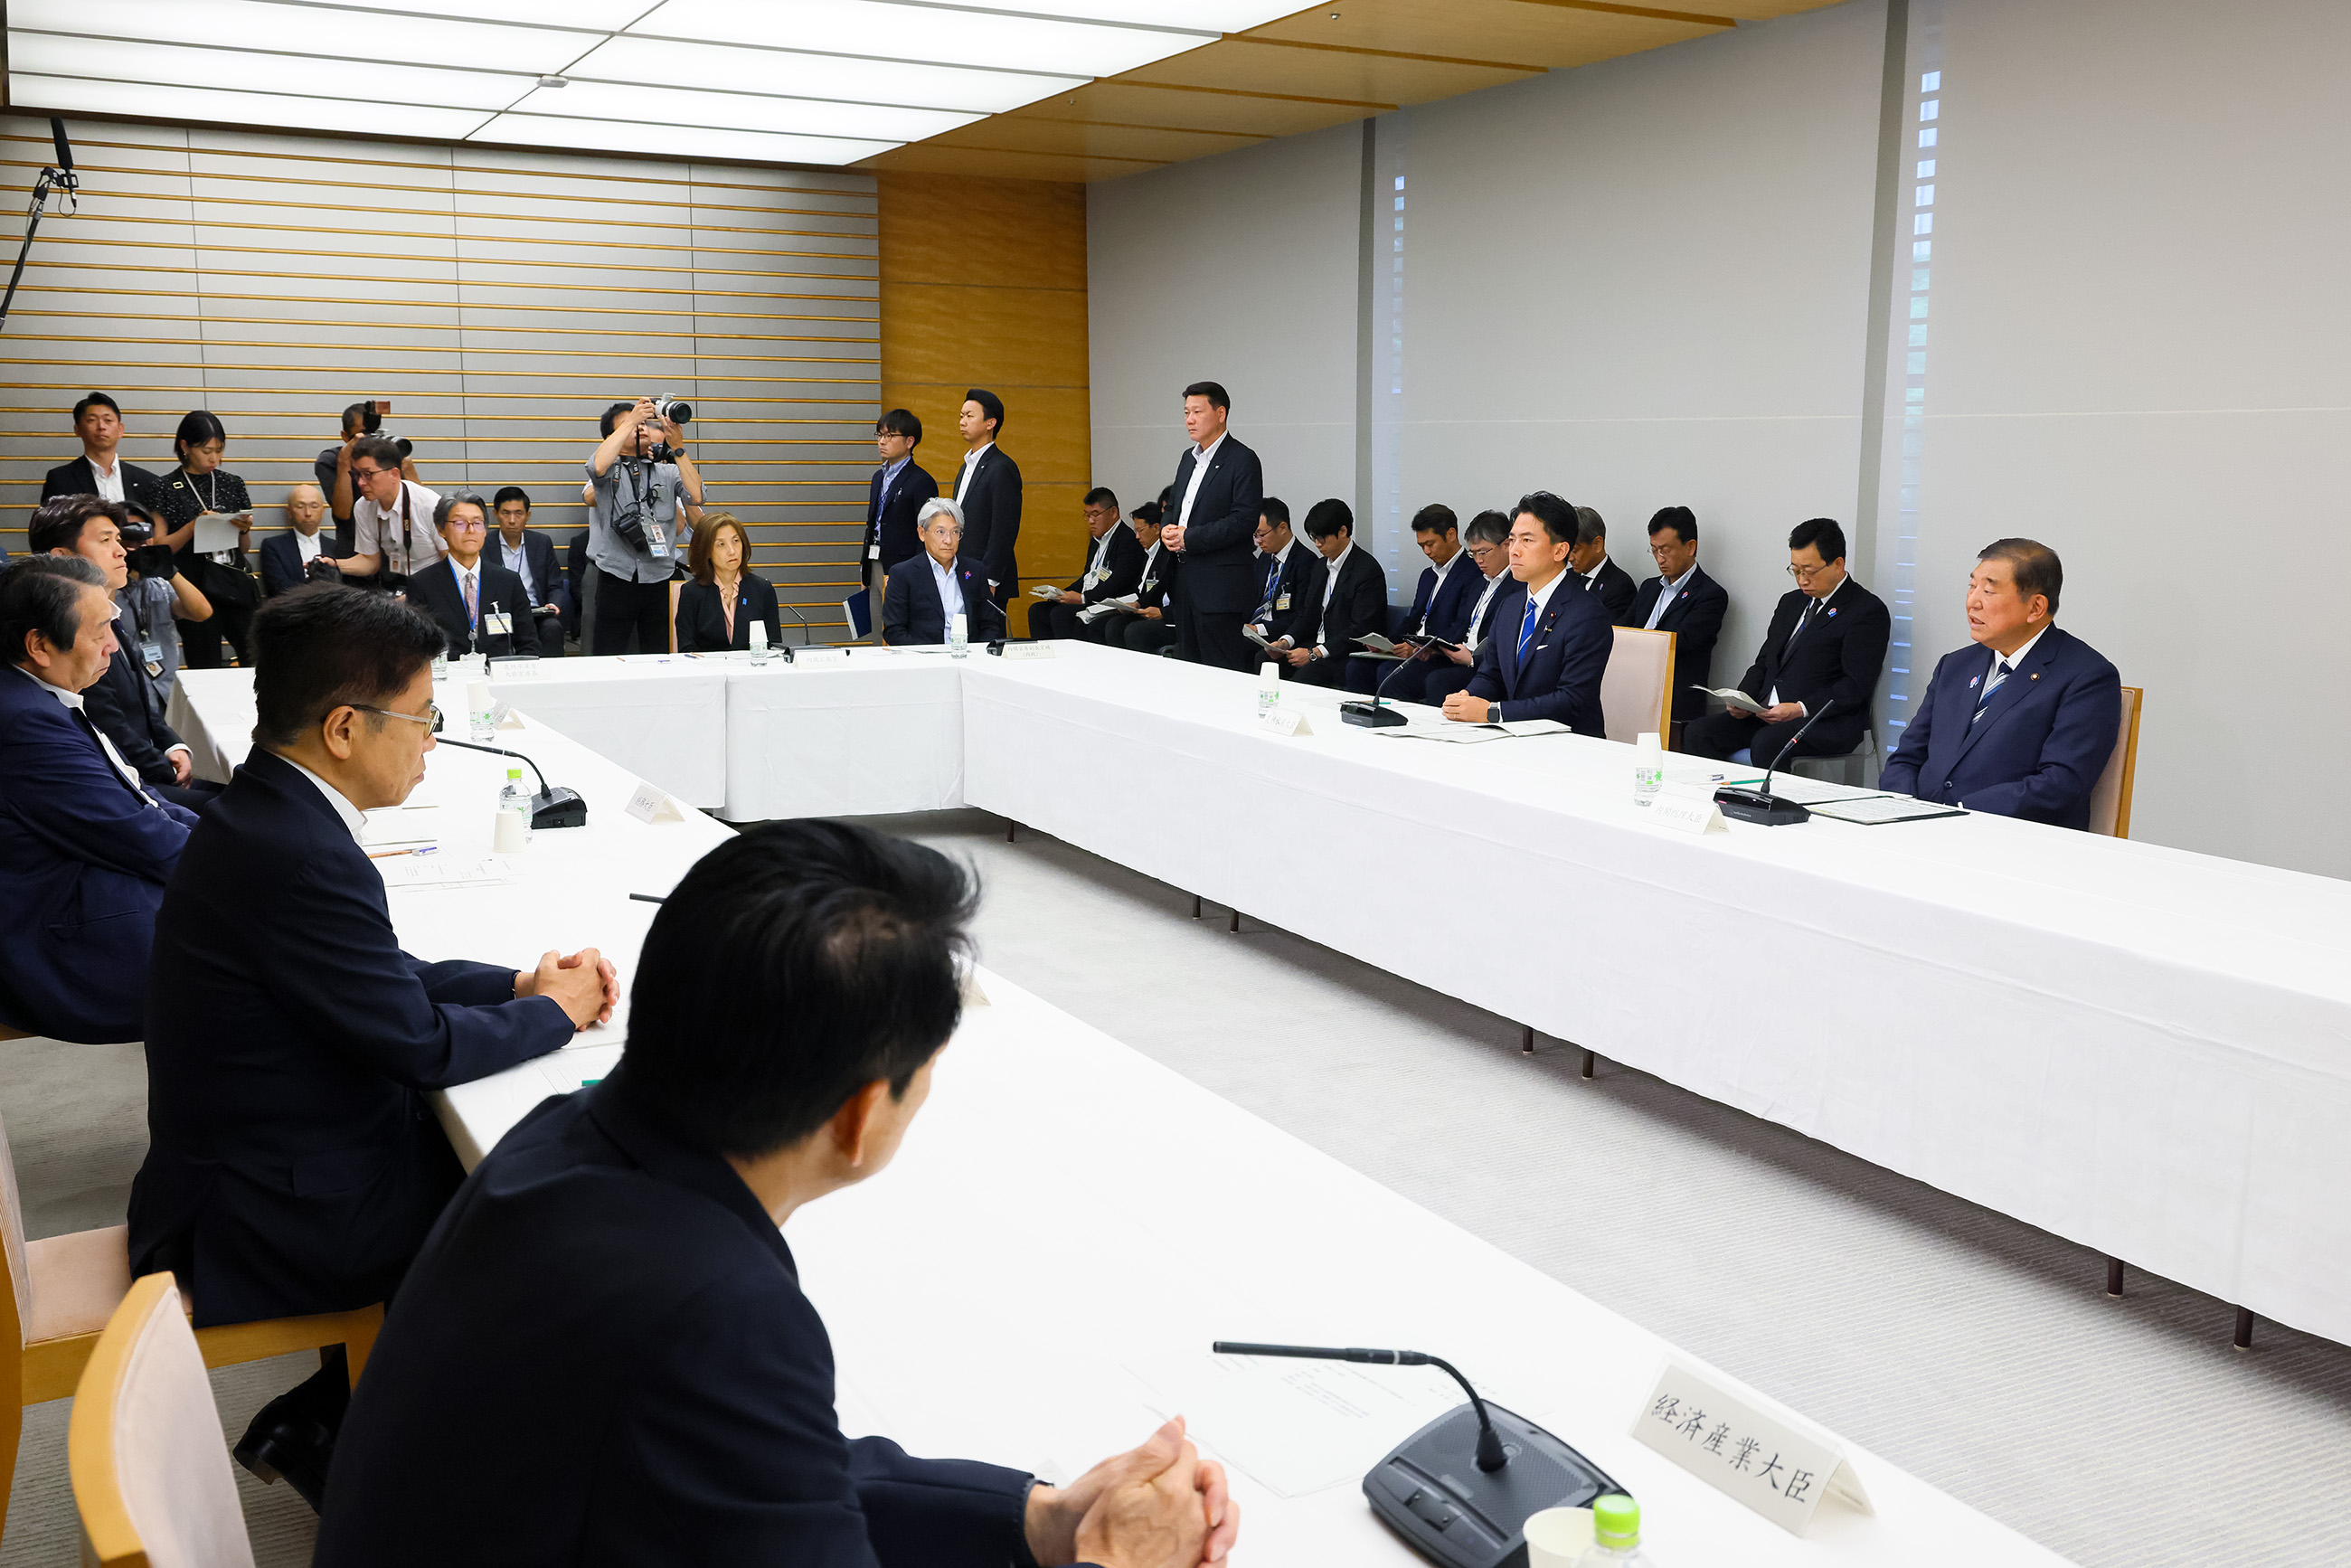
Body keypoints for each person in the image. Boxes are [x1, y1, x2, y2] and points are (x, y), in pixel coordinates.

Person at [314, 821, 1239, 1568]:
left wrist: (1039, 1519)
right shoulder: (712, 1311)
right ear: (860, 1113)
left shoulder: (570, 1139)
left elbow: (773, 1473)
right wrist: (1117, 1559)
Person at [127, 585, 616, 1509]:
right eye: (422, 718)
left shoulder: (273, 812)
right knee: (538, 1204)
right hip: (253, 1210)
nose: (431, 739)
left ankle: (332, 1415)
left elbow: (376, 971)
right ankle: (407, 1462)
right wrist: (559, 1012)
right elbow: (419, 1045)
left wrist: (518, 984)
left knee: (505, 1162)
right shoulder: (300, 850)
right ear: (345, 728)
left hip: (251, 1159)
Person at [0, 556, 198, 1043]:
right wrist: (256, 861)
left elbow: (137, 797)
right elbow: (140, 836)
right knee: (259, 951)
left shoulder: (33, 693)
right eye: (100, 631)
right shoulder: (24, 722)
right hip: (57, 931)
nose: (113, 645)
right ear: (39, 645)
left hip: (84, 877)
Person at [1881, 539, 2120, 829]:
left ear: (2035, 607)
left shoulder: (2087, 676)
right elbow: (1906, 757)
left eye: (1989, 590)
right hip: (1920, 829)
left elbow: (2060, 784)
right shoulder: (1955, 666)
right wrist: (1905, 808)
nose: (1973, 601)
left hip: (2013, 841)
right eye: (1972, 586)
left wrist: (1956, 813)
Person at [35, 496, 220, 812]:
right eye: (106, 540)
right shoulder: (67, 635)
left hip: (145, 764)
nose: (122, 551)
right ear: (62, 557)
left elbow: (145, 703)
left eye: (119, 539)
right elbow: (107, 725)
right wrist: (164, 767)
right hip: (118, 781)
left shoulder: (110, 614)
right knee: (235, 805)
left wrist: (173, 744)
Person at [1683, 517, 1890, 766]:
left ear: (1838, 564)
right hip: (1768, 715)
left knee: (1768, 742)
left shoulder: (1865, 610)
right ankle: (1716, 800)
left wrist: (1799, 708)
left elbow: (1855, 684)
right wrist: (1743, 697)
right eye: (1796, 570)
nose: (1802, 580)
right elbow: (1765, 661)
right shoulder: (1790, 603)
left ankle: (1766, 805)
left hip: (1823, 720)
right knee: (1698, 732)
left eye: (1809, 571)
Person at [1442, 492, 1613, 733]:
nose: (1514, 550)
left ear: (1560, 551)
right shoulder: (1510, 606)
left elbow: (1572, 700)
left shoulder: (1587, 613)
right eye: (1512, 540)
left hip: (1567, 744)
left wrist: (1493, 712)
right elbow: (1491, 674)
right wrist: (1468, 696)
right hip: (1511, 736)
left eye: (1527, 541)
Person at [582, 397, 705, 655]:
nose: (640, 427)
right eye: (629, 424)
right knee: (608, 654)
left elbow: (697, 496)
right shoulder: (609, 471)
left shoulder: (667, 471)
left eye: (643, 424)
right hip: (616, 575)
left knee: (659, 654)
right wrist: (632, 420)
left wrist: (679, 449)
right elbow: (597, 465)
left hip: (660, 575)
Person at [1159, 382, 1266, 672]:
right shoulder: (1187, 458)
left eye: (1197, 411)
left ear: (1221, 413)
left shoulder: (1242, 459)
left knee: (1220, 672)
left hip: (1220, 589)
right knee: (1189, 670)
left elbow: (1243, 520)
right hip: (1184, 583)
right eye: (1185, 413)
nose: (1189, 420)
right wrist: (1167, 529)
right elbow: (1174, 506)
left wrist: (1188, 538)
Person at [151, 410, 259, 670]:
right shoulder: (164, 487)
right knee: (205, 663)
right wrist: (193, 526)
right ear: (185, 446)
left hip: (233, 579)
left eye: (219, 450)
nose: (214, 458)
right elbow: (159, 547)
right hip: (193, 585)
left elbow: (244, 548)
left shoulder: (232, 483)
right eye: (206, 450)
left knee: (257, 656)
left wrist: (243, 530)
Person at [1619, 505, 1728, 721]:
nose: (1659, 558)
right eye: (1654, 550)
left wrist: (1633, 642)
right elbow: (1623, 626)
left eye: (1666, 550)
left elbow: (1679, 642)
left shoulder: (1710, 594)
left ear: (1690, 547)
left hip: (1673, 694)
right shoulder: (1649, 588)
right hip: (1630, 685)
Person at [403, 492, 536, 660]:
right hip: (449, 678)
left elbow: (529, 643)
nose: (471, 530)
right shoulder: (422, 583)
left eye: (477, 523)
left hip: (497, 677)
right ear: (441, 529)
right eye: (460, 523)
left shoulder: (508, 581)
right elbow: (416, 648)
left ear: (485, 531)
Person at [1270, 499, 1383, 688]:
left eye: (1322, 538)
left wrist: (1315, 653)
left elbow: (1360, 629)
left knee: (1303, 678)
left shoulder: (1367, 570)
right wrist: (1285, 641)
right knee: (1265, 660)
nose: (1317, 544)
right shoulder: (1320, 566)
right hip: (1316, 644)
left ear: (1343, 532)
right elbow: (1307, 614)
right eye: (1313, 537)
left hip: (1342, 652)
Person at [1379, 505, 1481, 703]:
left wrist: (1426, 649)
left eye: (1430, 544)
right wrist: (1386, 643)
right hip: (1417, 650)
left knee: (1393, 678)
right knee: (1360, 667)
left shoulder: (1472, 572)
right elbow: (1414, 618)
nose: (1426, 551)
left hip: (1439, 655)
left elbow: (1460, 625)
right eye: (1421, 546)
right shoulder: (1428, 575)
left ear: (1451, 534)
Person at [116, 499, 212, 704]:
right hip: (129, 695)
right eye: (131, 535)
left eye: (145, 534)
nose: (140, 543)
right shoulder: (104, 588)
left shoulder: (159, 583)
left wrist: (169, 570)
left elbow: (202, 612)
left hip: (166, 689)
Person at [1417, 509, 1513, 707]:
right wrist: (1437, 647)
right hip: (1458, 656)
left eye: (1483, 552)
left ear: (1506, 546)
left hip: (1483, 665)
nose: (1478, 559)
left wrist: (1472, 660)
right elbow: (1462, 625)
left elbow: (1507, 646)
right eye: (1473, 553)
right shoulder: (1480, 583)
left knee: (1438, 681)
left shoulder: (1518, 587)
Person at [883, 498, 1004, 647]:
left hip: (969, 658)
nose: (948, 540)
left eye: (955, 532)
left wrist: (977, 653)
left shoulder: (975, 571)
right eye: (941, 532)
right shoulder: (903, 574)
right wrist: (928, 656)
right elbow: (894, 631)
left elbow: (990, 624)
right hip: (924, 661)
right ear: (922, 533)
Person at [1028, 488, 1142, 641]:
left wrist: (1083, 598)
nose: (1090, 521)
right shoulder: (1096, 541)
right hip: (1089, 597)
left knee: (1061, 614)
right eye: (1087, 515)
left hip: (1108, 602)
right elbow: (1087, 576)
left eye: (1095, 514)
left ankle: (1069, 661)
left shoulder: (1127, 540)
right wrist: (1061, 593)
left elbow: (1119, 583)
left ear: (1113, 512)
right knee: (1037, 610)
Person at [321, 401, 422, 554]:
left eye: (374, 435)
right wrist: (344, 464)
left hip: (397, 551)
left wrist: (406, 467)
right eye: (363, 436)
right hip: (355, 549)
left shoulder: (387, 457)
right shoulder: (331, 460)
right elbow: (342, 513)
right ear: (345, 436)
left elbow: (419, 503)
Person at [952, 389, 1020, 611]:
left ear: (990, 423)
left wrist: (991, 578)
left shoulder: (1002, 467)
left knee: (988, 639)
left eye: (970, 416)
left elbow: (1004, 527)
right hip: (962, 569)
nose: (962, 421)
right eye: (961, 415)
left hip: (987, 576)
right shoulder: (965, 467)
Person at [675, 512, 782, 653]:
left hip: (752, 670)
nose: (732, 551)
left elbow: (773, 646)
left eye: (736, 541)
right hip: (707, 671)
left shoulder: (762, 589)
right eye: (721, 544)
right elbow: (686, 648)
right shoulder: (691, 592)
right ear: (706, 551)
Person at [864, 407, 938, 604]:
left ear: (909, 441)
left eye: (889, 436)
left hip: (904, 567)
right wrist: (865, 568)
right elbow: (872, 524)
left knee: (897, 626)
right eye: (879, 435)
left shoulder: (921, 481)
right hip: (875, 562)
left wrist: (917, 574)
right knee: (877, 627)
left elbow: (927, 534)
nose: (881, 441)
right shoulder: (878, 477)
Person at [42, 392, 163, 509]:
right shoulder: (60, 479)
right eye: (91, 420)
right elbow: (50, 527)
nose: (101, 427)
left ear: (120, 430)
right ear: (77, 429)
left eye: (108, 420)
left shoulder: (148, 482)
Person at [488, 486, 570, 657]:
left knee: (552, 627)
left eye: (518, 513)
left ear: (527, 515)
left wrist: (553, 604)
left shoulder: (541, 542)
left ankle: (553, 677)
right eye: (505, 513)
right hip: (498, 615)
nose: (512, 520)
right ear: (495, 514)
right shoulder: (484, 545)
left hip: (535, 612)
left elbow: (555, 584)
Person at [1106, 503, 1181, 655]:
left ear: (1156, 527)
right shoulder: (1148, 553)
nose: (1137, 536)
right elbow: (1159, 586)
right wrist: (1137, 604)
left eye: (1140, 530)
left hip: (1175, 617)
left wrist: (1164, 613)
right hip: (1156, 610)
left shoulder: (1172, 552)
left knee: (1135, 631)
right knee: (1113, 625)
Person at [1243, 499, 1313, 650]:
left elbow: (1300, 615)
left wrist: (1259, 629)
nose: (1258, 542)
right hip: (1253, 627)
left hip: (1279, 632)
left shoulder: (1306, 561)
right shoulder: (1264, 558)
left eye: (1261, 535)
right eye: (1255, 535)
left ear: (1282, 528)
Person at [260, 483, 345, 597]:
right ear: (289, 511)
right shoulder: (273, 546)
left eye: (314, 506)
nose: (308, 513)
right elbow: (279, 587)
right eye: (300, 507)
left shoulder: (337, 547)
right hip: (290, 611)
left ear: (323, 511)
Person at [1567, 506, 1637, 621]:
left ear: (1597, 544)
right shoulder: (1565, 577)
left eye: (1574, 551)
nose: (1569, 558)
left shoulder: (1620, 586)